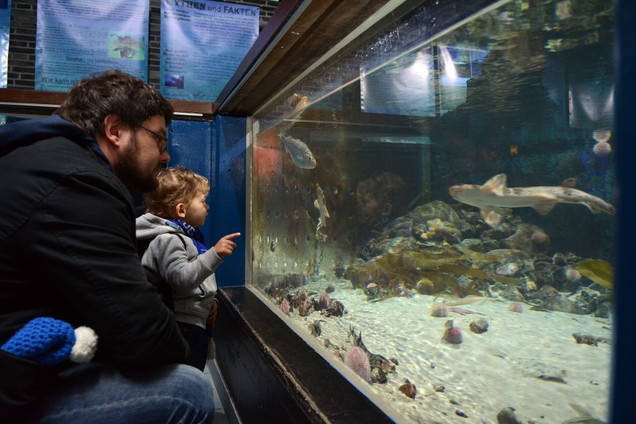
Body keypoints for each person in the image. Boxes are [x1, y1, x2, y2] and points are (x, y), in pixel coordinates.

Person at [0, 70, 215, 423]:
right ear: (115, 130)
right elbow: (143, 333)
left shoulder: (43, 159)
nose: (164, 156)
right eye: (159, 141)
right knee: (188, 391)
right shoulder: (77, 182)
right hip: (11, 387)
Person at [136, 166, 240, 371]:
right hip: (182, 327)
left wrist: (210, 301)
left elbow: (195, 281)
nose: (207, 207)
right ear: (181, 210)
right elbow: (181, 280)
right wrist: (214, 254)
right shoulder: (168, 240)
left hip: (191, 323)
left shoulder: (184, 237)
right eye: (202, 202)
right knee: (189, 374)